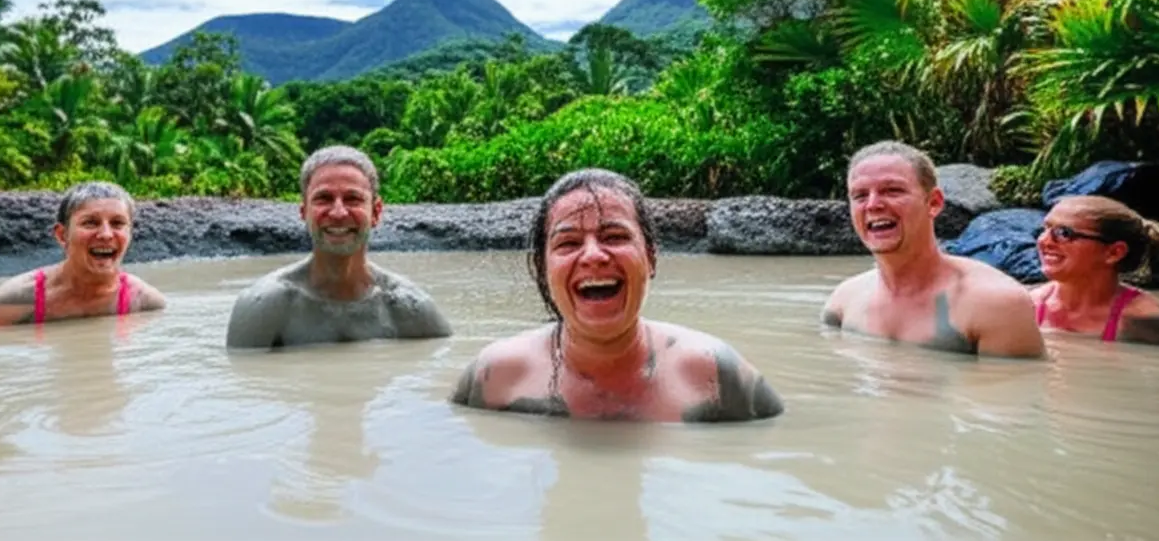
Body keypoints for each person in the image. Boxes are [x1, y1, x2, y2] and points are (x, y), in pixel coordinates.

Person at [449, 168, 784, 423]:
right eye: (568, 243)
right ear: (542, 267)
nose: (593, 255)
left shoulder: (715, 375)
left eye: (614, 236)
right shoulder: (493, 377)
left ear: (651, 257)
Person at [820, 141, 1045, 358]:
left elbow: (1017, 391)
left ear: (934, 203)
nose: (873, 204)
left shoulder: (995, 304)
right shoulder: (843, 302)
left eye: (892, 191)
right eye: (860, 195)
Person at [225, 145, 452, 349]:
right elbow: (243, 383)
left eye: (353, 199)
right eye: (323, 198)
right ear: (304, 212)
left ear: (376, 212)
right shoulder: (263, 306)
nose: (338, 213)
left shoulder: (410, 308)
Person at [0, 181, 167, 327]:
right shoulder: (19, 298)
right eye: (90, 223)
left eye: (118, 224)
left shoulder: (144, 302)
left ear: (130, 234)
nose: (106, 235)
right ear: (62, 235)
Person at [1031, 195, 1159, 345]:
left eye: (1064, 233)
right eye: (1045, 229)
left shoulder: (1144, 318)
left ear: (1114, 253)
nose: (1043, 241)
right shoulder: (1028, 307)